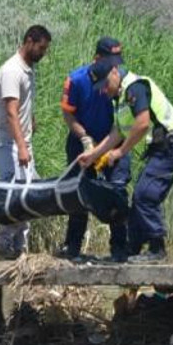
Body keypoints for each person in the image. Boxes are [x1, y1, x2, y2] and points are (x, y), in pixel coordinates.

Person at [76, 54, 173, 264]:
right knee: (140, 198)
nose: (103, 90)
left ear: (114, 72)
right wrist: (93, 155)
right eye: (99, 87)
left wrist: (120, 152)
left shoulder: (134, 88)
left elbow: (143, 123)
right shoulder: (121, 97)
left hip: (171, 144)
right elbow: (117, 132)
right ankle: (133, 248)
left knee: (145, 195)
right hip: (162, 147)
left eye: (105, 84)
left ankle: (157, 250)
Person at [57, 37, 133, 262]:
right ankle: (72, 247)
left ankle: (120, 248)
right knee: (79, 192)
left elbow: (124, 119)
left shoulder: (123, 79)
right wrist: (84, 137)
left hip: (113, 141)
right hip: (83, 143)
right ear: (97, 58)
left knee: (117, 190)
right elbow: (68, 114)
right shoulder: (76, 79)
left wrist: (105, 148)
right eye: (110, 61)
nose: (115, 66)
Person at [0, 25, 52, 259]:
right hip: (6, 142)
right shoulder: (12, 70)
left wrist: (30, 121)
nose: (43, 53)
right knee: (17, 193)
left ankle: (18, 247)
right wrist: (22, 146)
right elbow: (11, 111)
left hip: (20, 140)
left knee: (31, 193)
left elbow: (23, 104)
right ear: (29, 41)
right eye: (41, 48)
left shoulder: (27, 69)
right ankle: (2, 241)